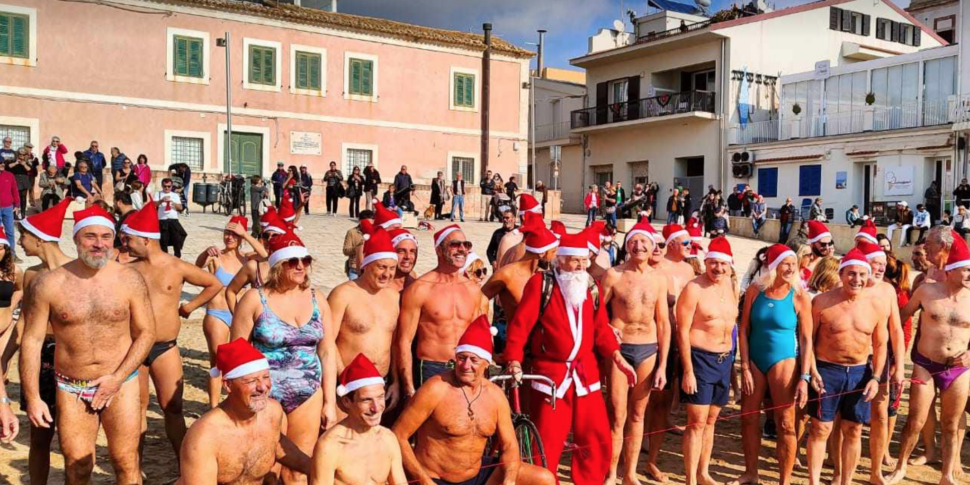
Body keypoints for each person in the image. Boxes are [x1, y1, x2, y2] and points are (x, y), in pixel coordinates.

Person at [21, 205, 156, 484]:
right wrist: (33, 397)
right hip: (73, 386)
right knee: (77, 465)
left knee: (126, 461)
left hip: (121, 382)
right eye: (90, 236)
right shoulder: (49, 283)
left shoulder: (129, 279)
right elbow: (32, 340)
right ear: (76, 238)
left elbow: (146, 332)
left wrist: (116, 379)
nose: (99, 244)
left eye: (106, 237)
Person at [505, 230, 636, 484]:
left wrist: (617, 357)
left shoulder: (590, 286)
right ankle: (543, 480)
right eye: (574, 260)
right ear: (560, 260)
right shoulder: (541, 284)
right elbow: (520, 326)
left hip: (585, 372)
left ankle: (590, 480)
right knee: (548, 435)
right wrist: (514, 359)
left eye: (583, 260)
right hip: (551, 373)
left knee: (595, 434)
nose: (580, 266)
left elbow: (600, 328)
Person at [231, 229, 338, 484]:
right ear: (278, 264)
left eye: (306, 260)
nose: (301, 266)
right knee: (267, 469)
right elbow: (236, 353)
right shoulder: (254, 299)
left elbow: (327, 350)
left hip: (309, 392)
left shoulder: (317, 299)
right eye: (293, 261)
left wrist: (330, 402)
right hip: (265, 393)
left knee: (300, 469)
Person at [393, 317, 555, 485]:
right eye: (462, 358)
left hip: (477, 476)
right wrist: (423, 481)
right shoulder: (436, 389)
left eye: (474, 360)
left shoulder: (495, 395)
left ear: (486, 363)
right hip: (435, 478)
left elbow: (510, 446)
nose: (465, 365)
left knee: (544, 479)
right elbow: (398, 435)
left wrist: (509, 480)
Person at [121, 201, 223, 459]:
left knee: (173, 406)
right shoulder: (128, 269)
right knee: (138, 408)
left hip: (165, 346)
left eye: (128, 239)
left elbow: (213, 284)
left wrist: (190, 306)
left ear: (146, 239)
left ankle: (185, 464)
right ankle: (135, 465)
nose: (124, 243)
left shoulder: (175, 266)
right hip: (134, 348)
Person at [886, 235, 970, 485]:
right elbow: (900, 318)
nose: (969, 274)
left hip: (958, 369)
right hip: (925, 364)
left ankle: (946, 475)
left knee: (951, 423)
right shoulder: (927, 290)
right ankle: (900, 466)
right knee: (915, 420)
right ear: (952, 270)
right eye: (965, 270)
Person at [805, 249, 889, 485]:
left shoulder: (876, 306)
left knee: (853, 429)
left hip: (860, 373)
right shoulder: (821, 302)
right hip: (827, 370)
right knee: (820, 428)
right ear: (841, 274)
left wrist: (875, 378)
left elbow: (881, 345)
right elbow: (808, 340)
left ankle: (846, 481)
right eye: (851, 273)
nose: (857, 279)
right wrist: (812, 371)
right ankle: (813, 481)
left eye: (862, 274)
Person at [178, 339, 312, 484]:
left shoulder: (272, 413)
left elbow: (277, 445)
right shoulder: (205, 436)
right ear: (228, 385)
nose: (262, 387)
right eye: (251, 381)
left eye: (266, 377)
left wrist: (317, 467)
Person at [736, 244, 812, 485]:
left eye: (793, 263)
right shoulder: (755, 291)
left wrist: (805, 376)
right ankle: (751, 473)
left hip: (784, 361)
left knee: (786, 422)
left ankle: (785, 480)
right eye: (785, 263)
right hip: (755, 361)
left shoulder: (799, 295)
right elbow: (744, 329)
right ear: (774, 265)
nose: (790, 268)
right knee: (748, 418)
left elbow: (807, 338)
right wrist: (745, 367)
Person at [600, 221, 670, 484]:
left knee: (638, 414)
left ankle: (629, 473)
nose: (638, 246)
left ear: (652, 246)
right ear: (627, 245)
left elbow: (663, 323)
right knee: (618, 414)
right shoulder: (614, 275)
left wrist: (663, 365)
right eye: (633, 241)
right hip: (620, 349)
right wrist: (607, 328)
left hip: (648, 350)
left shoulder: (659, 280)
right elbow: (596, 312)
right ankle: (611, 473)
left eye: (644, 242)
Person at [676, 237, 739, 485]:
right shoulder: (694, 288)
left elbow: (732, 329)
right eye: (713, 263)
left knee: (711, 421)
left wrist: (733, 372)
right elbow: (682, 330)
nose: (718, 269)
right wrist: (688, 370)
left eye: (723, 264)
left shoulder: (731, 287)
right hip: (700, 358)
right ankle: (691, 478)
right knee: (696, 422)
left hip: (724, 361)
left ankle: (703, 472)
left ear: (730, 266)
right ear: (706, 261)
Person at [397, 224, 483, 393]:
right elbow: (404, 341)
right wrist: (408, 386)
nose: (462, 250)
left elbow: (478, 337)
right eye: (455, 245)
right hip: (431, 367)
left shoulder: (472, 289)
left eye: (466, 245)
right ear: (438, 250)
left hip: (466, 367)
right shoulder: (420, 288)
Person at [195, 216, 267, 408]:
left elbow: (265, 254)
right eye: (227, 232)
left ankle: (233, 402)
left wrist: (246, 234)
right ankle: (213, 407)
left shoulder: (248, 258)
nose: (229, 237)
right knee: (218, 363)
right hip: (217, 313)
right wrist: (204, 252)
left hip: (239, 316)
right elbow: (196, 266)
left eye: (234, 234)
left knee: (238, 362)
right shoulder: (215, 255)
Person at [329, 226, 402, 411]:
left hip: (382, 384)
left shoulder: (394, 296)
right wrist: (344, 380)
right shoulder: (343, 294)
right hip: (349, 384)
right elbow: (327, 341)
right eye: (381, 267)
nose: (387, 274)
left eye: (392, 268)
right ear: (366, 265)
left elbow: (393, 342)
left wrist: (395, 381)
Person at [311, 353, 407, 485]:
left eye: (380, 397)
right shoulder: (331, 446)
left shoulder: (387, 438)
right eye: (366, 400)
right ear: (346, 402)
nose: (376, 408)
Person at [481, 215, 558, 358]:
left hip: (543, 349)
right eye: (553, 252)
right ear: (542, 253)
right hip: (515, 347)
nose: (555, 257)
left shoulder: (546, 276)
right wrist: (487, 346)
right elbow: (479, 303)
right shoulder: (507, 274)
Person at [155, 178, 187, 257]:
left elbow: (180, 208)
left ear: (171, 186)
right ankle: (165, 258)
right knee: (163, 241)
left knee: (177, 240)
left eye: (169, 186)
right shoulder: (158, 194)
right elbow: (153, 205)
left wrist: (173, 203)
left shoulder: (175, 195)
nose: (166, 188)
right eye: (165, 186)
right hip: (162, 220)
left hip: (173, 220)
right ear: (162, 186)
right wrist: (161, 201)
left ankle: (177, 257)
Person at [342, 211, 372, 281]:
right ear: (359, 221)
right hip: (355, 269)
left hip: (370, 269)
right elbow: (345, 251)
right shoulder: (352, 232)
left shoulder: (376, 232)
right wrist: (359, 247)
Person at [389, 227, 418, 293]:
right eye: (401, 251)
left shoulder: (413, 277)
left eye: (412, 251)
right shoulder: (380, 286)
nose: (407, 256)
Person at [0, 159, 19, 252]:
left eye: (3, 162)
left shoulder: (10, 175)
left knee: (10, 232)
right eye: (0, 163)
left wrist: (17, 204)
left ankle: (12, 255)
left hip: (8, 208)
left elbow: (14, 190)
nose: (2, 164)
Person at [10, 148, 31, 217]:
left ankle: (23, 213)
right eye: (20, 154)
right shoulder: (13, 160)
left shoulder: (27, 161)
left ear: (25, 155)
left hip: (24, 180)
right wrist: (16, 163)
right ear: (18, 155)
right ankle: (15, 213)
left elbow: (29, 169)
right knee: (15, 197)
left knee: (23, 198)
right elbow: (9, 166)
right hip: (15, 179)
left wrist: (24, 164)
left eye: (23, 155)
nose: (21, 156)